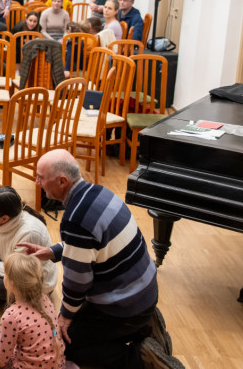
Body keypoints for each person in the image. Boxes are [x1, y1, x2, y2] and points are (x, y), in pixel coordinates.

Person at [19, 149, 178, 369]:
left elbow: (77, 283)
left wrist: (65, 316)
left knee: (65, 345)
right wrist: (53, 252)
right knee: (80, 330)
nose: (37, 182)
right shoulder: (99, 192)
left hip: (125, 307)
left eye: (41, 177)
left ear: (62, 181)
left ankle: (140, 357)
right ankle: (144, 328)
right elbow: (92, 246)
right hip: (143, 293)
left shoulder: (75, 219)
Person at [0, 253, 66, 369]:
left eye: (5, 274)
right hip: (57, 365)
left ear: (11, 283)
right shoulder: (45, 299)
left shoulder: (11, 316)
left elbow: (1, 360)